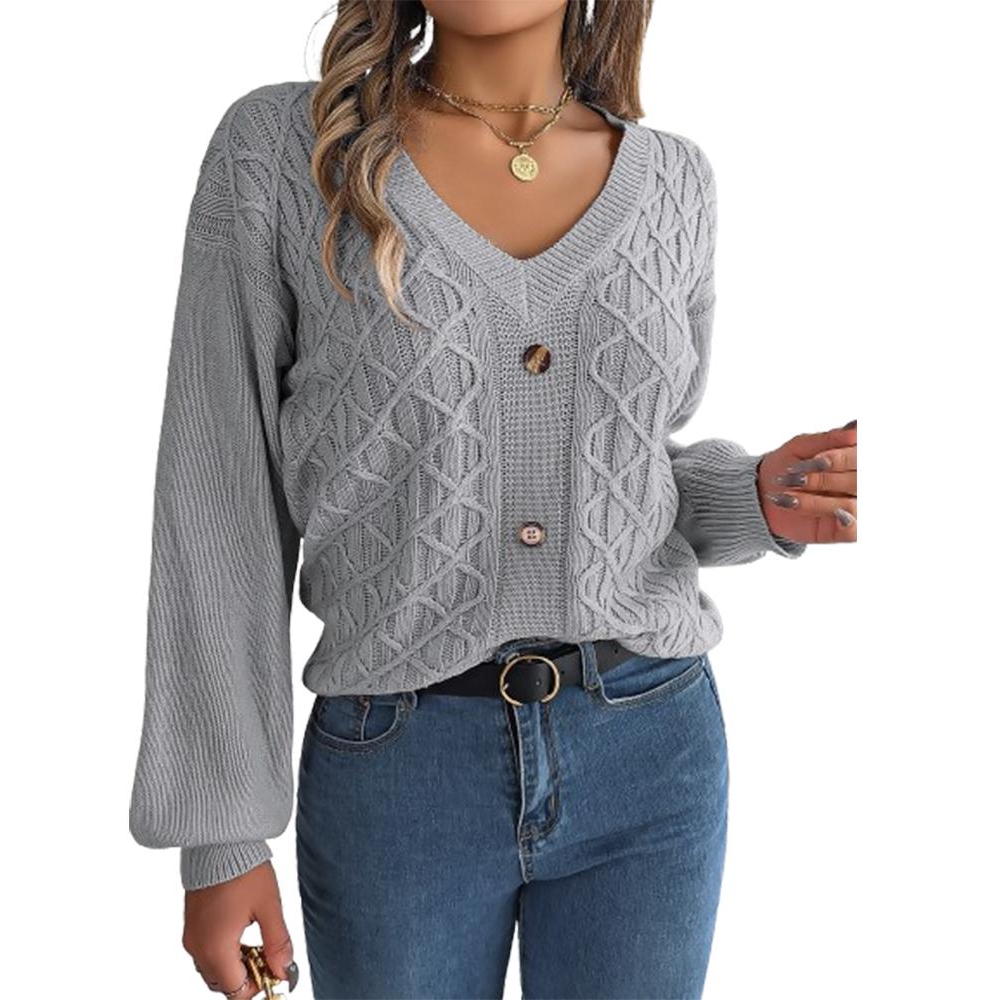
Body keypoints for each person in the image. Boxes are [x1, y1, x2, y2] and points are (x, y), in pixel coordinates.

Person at [128, 1, 858, 997]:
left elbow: (618, 471)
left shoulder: (674, 182)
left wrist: (753, 498)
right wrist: (222, 837)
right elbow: (219, 496)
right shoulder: (283, 154)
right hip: (399, 769)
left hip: (650, 742)